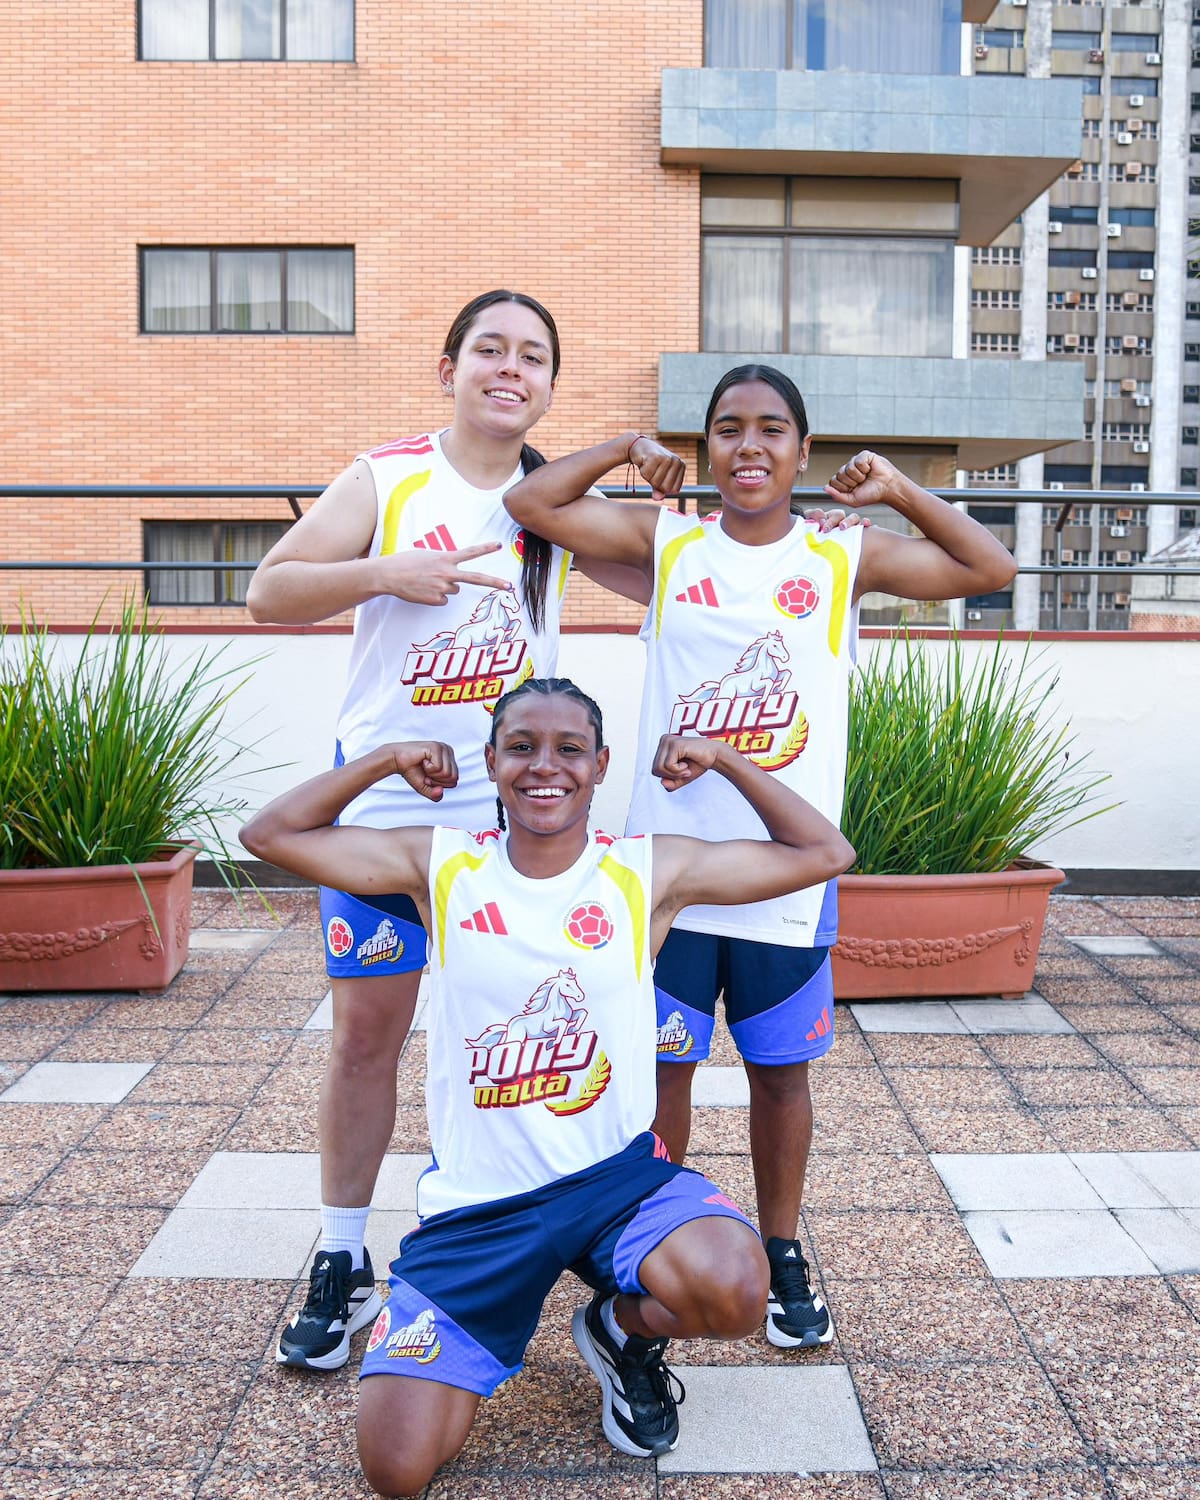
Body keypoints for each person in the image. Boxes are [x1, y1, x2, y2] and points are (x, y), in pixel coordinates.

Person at [504, 364, 1018, 1351]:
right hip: (674, 882)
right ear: (705, 451)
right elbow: (532, 501)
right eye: (728, 428)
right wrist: (625, 450)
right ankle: (649, 1246)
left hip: (787, 882)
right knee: (665, 1079)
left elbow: (989, 569)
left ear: (803, 452)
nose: (750, 445)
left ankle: (781, 1251)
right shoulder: (671, 543)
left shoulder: (839, 557)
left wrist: (901, 488)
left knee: (783, 1078)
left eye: (772, 429)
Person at [239, 676, 855, 1496]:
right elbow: (267, 832)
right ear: (490, 761)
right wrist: (384, 759)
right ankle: (474, 1330)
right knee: (397, 1470)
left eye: (569, 750)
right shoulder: (439, 865)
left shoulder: (644, 873)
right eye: (521, 747)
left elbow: (825, 855)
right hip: (478, 1209)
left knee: (738, 1290)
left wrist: (727, 761)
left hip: (615, 1183)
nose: (545, 767)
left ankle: (617, 1329)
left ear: (600, 766)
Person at [245, 290, 640, 1370]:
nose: (511, 370)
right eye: (491, 351)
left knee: (509, 1046)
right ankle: (340, 1257)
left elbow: (680, 580)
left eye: (535, 357)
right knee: (368, 1039)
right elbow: (267, 590)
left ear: (552, 383)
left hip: (509, 828)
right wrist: (385, 571)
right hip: (381, 809)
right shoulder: (387, 478)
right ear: (449, 365)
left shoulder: (547, 501)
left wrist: (749, 522)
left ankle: (510, 1248)